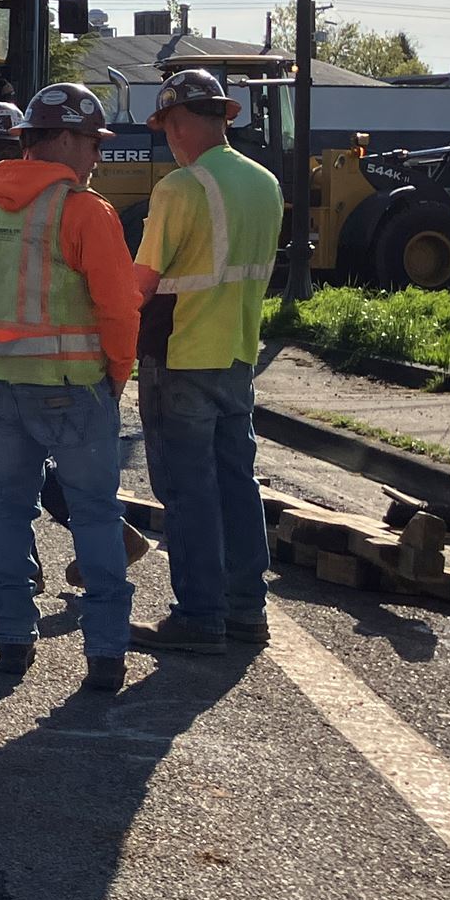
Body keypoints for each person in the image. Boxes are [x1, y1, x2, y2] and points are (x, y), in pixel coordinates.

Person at [0, 82, 142, 689]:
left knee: (8, 513)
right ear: (58, 140)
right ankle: (106, 653)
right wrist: (116, 373)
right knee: (95, 517)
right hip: (74, 389)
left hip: (0, 389)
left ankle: (12, 640)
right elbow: (119, 309)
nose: (97, 155)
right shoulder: (85, 211)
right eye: (91, 141)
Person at [125, 70, 285, 656]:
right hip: (238, 352)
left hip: (181, 354)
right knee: (236, 485)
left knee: (187, 491)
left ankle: (198, 616)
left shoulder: (179, 189)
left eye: (167, 125)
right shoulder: (265, 183)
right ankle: (246, 611)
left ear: (183, 121)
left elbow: (140, 285)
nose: (168, 137)